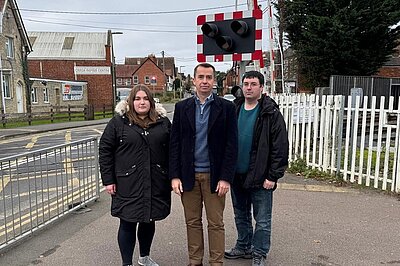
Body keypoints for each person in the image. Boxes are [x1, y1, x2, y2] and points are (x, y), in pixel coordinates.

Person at [169, 63, 238, 266]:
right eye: (201, 77)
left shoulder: (226, 108)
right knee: (192, 222)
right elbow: (175, 143)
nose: (205, 81)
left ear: (214, 81)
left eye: (209, 77)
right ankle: (195, 261)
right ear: (194, 80)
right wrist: (174, 176)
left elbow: (232, 145)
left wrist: (226, 177)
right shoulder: (182, 108)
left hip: (215, 177)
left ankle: (216, 262)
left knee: (215, 223)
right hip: (188, 176)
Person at [99, 84, 171, 266]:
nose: (142, 102)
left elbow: (173, 151)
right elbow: (105, 150)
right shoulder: (118, 123)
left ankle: (144, 257)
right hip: (128, 182)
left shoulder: (162, 122)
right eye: (137, 99)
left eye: (145, 98)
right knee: (128, 222)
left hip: (156, 181)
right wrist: (108, 180)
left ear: (151, 102)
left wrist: (172, 176)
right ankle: (127, 263)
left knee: (149, 220)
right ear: (131, 102)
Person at [224, 71, 289, 266]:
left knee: (262, 219)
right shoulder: (234, 109)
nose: (249, 87)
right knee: (240, 214)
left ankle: (259, 252)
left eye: (253, 84)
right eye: (246, 84)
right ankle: (243, 245)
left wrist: (273, 176)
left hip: (261, 177)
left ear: (262, 88)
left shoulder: (271, 113)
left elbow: (280, 147)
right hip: (237, 175)